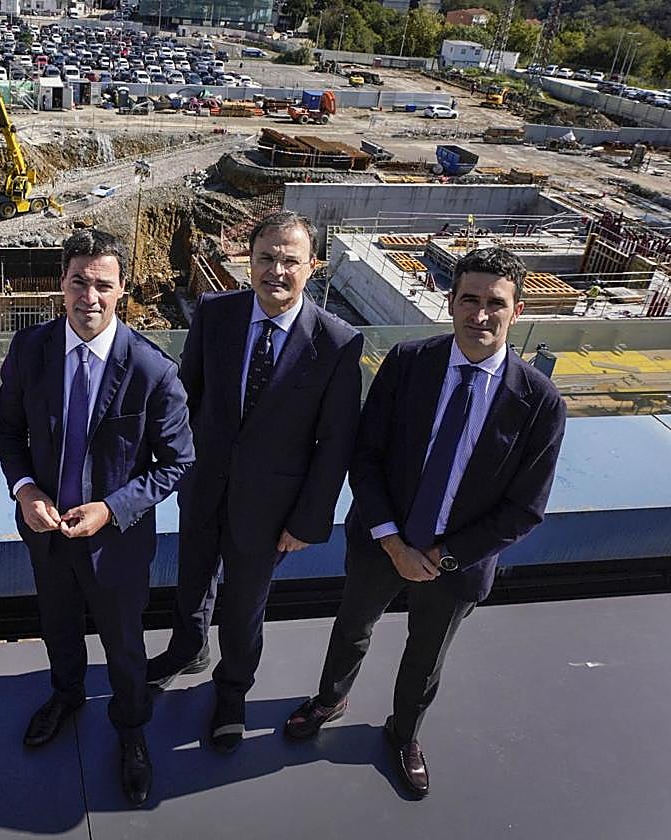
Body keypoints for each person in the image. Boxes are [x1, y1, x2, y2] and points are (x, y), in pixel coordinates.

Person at [284, 247, 567, 798]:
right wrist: (393, 543)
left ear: (518, 309)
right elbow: (365, 456)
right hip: (381, 543)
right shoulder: (410, 363)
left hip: (454, 566)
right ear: (449, 300)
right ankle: (330, 698)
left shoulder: (538, 401)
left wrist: (442, 557)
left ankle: (404, 733)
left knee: (427, 655)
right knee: (352, 629)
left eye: (495, 304)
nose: (480, 315)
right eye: (469, 300)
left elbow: (525, 506)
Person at [145, 211, 365, 754]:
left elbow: (334, 443)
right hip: (203, 487)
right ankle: (187, 649)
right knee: (192, 578)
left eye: (291, 260)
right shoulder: (215, 314)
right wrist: (175, 470)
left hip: (272, 510)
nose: (277, 271)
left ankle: (232, 690)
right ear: (249, 261)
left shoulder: (337, 343)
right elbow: (185, 399)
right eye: (266, 258)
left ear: (312, 267)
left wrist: (308, 520)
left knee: (245, 606)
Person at [0, 228, 194, 806]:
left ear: (122, 289)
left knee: (125, 645)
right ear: (61, 282)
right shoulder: (30, 350)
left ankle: (131, 730)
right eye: (78, 281)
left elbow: (179, 461)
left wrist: (111, 508)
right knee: (56, 626)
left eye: (103, 285)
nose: (90, 296)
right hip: (47, 531)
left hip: (116, 542)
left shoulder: (152, 370)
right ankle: (67, 694)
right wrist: (26, 488)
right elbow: (8, 430)